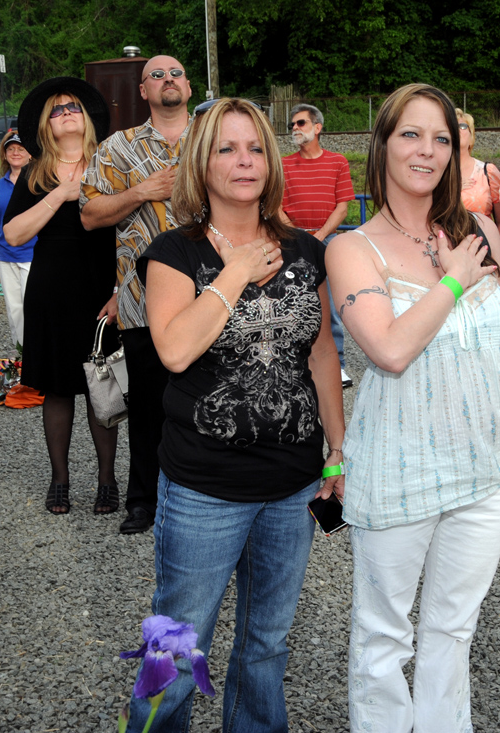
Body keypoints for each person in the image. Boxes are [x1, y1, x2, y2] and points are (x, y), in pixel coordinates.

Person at [128, 98, 345, 731]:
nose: (243, 160)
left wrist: (338, 450)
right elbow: (172, 349)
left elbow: (322, 350)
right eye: (226, 148)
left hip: (293, 483)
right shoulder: (175, 251)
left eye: (254, 147)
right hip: (204, 487)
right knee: (176, 642)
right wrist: (237, 271)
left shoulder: (307, 251)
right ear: (203, 163)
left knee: (268, 643)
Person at [325, 83, 500, 731]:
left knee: (453, 628)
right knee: (384, 636)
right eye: (411, 134)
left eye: (441, 137)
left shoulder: (479, 234)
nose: (428, 150)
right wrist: (452, 282)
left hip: (488, 472)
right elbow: (388, 349)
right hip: (399, 469)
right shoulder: (353, 249)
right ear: (382, 144)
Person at [80, 55, 191, 535]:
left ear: (188, 85)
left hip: (212, 296)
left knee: (210, 400)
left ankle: (205, 497)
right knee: (148, 407)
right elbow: (89, 214)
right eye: (157, 75)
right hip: (141, 299)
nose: (168, 80)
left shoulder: (215, 142)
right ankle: (143, 501)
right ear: (142, 91)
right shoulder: (116, 148)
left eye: (177, 73)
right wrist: (142, 191)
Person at [2, 77, 119, 516]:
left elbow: (132, 230)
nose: (66, 112)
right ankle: (60, 479)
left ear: (86, 117)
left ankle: (107, 481)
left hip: (101, 290)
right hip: (51, 289)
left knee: (101, 386)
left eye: (72, 106)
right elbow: (13, 234)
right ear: (46, 127)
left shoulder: (110, 164)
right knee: (56, 388)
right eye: (55, 110)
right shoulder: (36, 173)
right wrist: (60, 195)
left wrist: (120, 290)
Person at [281, 103, 356, 387]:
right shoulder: (283, 164)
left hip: (328, 241)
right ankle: (296, 366)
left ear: (317, 127)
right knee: (292, 304)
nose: (295, 129)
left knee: (331, 309)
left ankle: (338, 366)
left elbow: (342, 207)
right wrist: (299, 237)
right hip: (292, 240)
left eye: (300, 123)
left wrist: (318, 237)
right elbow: (275, 206)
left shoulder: (338, 162)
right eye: (292, 125)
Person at [0, 133, 34, 349]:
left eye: (20, 148)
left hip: (32, 254)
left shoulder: (38, 183)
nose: (15, 153)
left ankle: (37, 354)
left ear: (30, 153)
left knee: (33, 308)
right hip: (6, 255)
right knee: (14, 310)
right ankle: (21, 356)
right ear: (5, 154)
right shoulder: (0, 185)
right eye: (11, 149)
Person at [455, 108, 500, 256]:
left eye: (462, 126)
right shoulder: (434, 172)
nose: (457, 130)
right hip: (445, 252)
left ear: (471, 135)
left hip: (483, 252)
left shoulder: (488, 171)